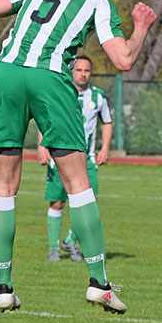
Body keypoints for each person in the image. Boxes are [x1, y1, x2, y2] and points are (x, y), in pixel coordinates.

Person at [0, 0, 156, 315]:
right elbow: (123, 59)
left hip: (6, 72)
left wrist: (17, 7)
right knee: (78, 183)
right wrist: (141, 28)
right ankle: (99, 284)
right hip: (50, 77)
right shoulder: (98, 1)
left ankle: (2, 287)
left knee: (3, 185)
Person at [40, 55, 113, 263]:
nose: (83, 74)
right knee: (57, 203)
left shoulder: (98, 97)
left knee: (89, 203)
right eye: (79, 70)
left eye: (87, 70)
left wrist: (105, 148)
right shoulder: (59, 93)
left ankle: (70, 239)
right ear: (72, 71)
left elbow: (107, 122)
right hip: (58, 158)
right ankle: (53, 248)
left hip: (86, 159)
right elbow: (44, 118)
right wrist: (41, 146)